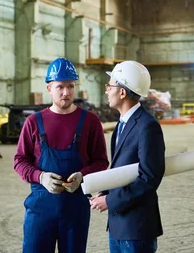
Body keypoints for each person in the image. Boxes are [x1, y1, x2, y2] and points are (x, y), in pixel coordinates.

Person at [14, 57, 109, 253]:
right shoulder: (34, 121)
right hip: (41, 209)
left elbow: (101, 161)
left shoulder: (90, 121)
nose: (66, 93)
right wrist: (40, 177)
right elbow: (19, 161)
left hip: (75, 210)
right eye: (60, 87)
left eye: (71, 86)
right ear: (49, 88)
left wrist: (83, 176)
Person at [90, 60, 165, 253]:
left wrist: (110, 202)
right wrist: (106, 192)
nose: (106, 90)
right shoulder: (122, 124)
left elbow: (149, 178)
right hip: (119, 225)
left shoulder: (147, 126)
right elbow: (122, 169)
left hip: (137, 227)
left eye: (110, 86)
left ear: (122, 92)